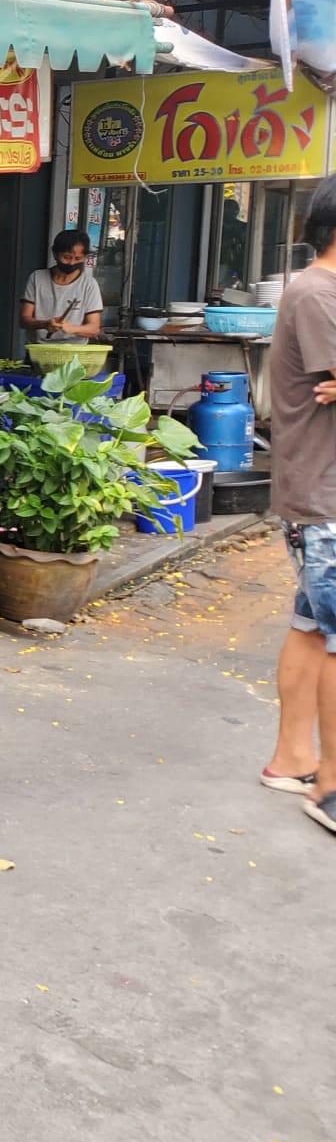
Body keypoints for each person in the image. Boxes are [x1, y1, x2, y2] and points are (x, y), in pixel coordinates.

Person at [263, 182, 336, 836]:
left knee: (314, 628)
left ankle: (292, 758)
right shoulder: (318, 293)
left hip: (318, 492)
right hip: (324, 493)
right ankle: (332, 788)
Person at [20, 230, 103, 344]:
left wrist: (71, 329)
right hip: (39, 349)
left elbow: (94, 328)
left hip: (75, 353)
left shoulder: (89, 284)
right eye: (67, 257)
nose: (72, 263)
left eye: (78, 258)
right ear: (55, 254)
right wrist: (45, 324)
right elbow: (24, 319)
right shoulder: (37, 278)